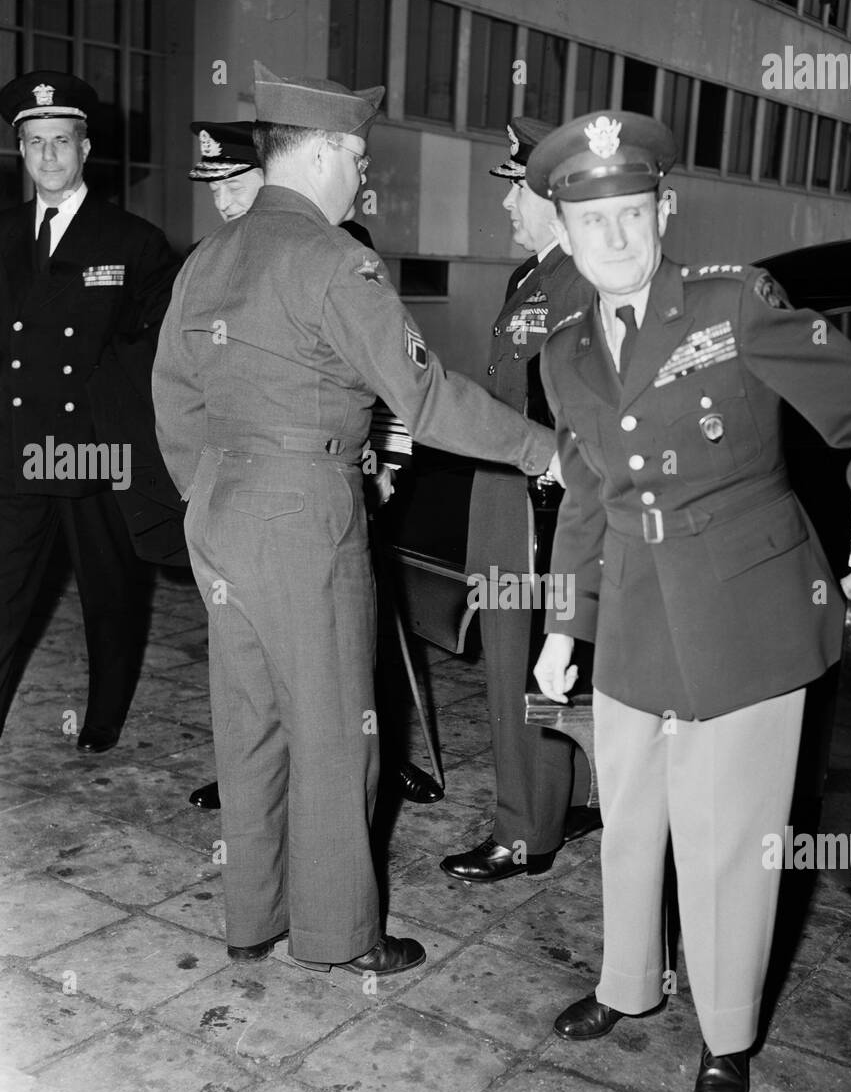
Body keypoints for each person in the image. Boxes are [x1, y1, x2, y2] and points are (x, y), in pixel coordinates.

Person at [529, 111, 851, 1092]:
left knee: (730, 843)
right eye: (590, 221)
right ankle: (628, 985)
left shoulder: (736, 304)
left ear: (663, 212)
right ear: (562, 232)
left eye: (631, 215)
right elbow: (584, 494)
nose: (613, 239)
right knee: (630, 822)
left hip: (747, 618)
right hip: (635, 622)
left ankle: (726, 1031)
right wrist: (565, 625)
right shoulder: (563, 352)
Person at [152, 63, 557, 975]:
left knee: (249, 725)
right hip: (303, 511)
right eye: (361, 157)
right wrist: (545, 450)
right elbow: (428, 396)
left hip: (220, 509)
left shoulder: (209, 258)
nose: (366, 177)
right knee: (337, 730)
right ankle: (339, 939)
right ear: (328, 151)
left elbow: (171, 393)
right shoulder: (335, 261)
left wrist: (205, 494)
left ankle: (253, 920)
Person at [181, 119, 441, 811]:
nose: (228, 200)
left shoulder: (340, 247)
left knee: (348, 660)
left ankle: (384, 765)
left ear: (266, 176)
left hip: (327, 475)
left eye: (238, 183)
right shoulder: (215, 254)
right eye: (216, 189)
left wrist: (383, 458)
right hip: (278, 491)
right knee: (290, 683)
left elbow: (383, 380)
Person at [0, 71, 180, 750]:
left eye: (61, 142)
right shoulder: (4, 233)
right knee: (5, 595)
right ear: (21, 151)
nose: (48, 157)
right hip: (15, 445)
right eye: (35, 143)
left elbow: (156, 346)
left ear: (86, 149)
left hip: (92, 447)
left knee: (108, 598)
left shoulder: (133, 242)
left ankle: (102, 719)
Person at [440, 117, 598, 886]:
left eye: (513, 191)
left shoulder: (575, 283)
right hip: (509, 497)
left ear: (549, 196)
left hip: (537, 513)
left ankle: (522, 833)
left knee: (523, 671)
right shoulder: (534, 277)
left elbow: (565, 415)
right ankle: (562, 802)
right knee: (539, 667)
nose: (503, 207)